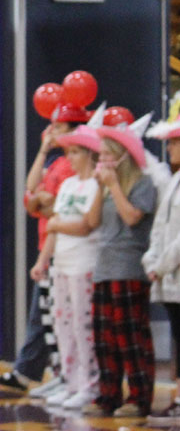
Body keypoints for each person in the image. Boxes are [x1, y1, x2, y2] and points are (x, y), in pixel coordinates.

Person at [0, 109, 85, 394]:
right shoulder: (56, 161)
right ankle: (36, 371)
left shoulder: (74, 167)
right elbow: (31, 195)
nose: (51, 131)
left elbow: (58, 205)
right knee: (46, 314)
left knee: (58, 317)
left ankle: (43, 373)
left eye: (58, 127)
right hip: (47, 243)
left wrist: (42, 202)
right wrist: (43, 151)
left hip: (64, 246)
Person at [82, 125, 157, 417]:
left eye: (105, 156)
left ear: (122, 157)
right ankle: (108, 395)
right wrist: (100, 188)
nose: (101, 161)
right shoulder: (105, 187)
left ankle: (139, 397)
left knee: (130, 335)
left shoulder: (143, 184)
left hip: (129, 268)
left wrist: (113, 184)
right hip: (104, 268)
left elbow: (133, 217)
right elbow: (92, 221)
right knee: (104, 338)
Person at [29, 126, 100, 409]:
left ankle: (89, 383)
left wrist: (58, 223)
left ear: (89, 155)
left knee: (84, 328)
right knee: (63, 325)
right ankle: (70, 381)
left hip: (85, 263)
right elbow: (54, 227)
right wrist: (42, 260)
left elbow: (85, 225)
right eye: (68, 151)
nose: (69, 158)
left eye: (74, 152)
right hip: (62, 262)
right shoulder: (69, 185)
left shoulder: (95, 185)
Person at [142, 113, 180, 426]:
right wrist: (152, 260)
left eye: (175, 143)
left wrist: (164, 263)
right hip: (168, 280)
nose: (169, 149)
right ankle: (177, 399)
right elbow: (160, 227)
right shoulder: (174, 181)